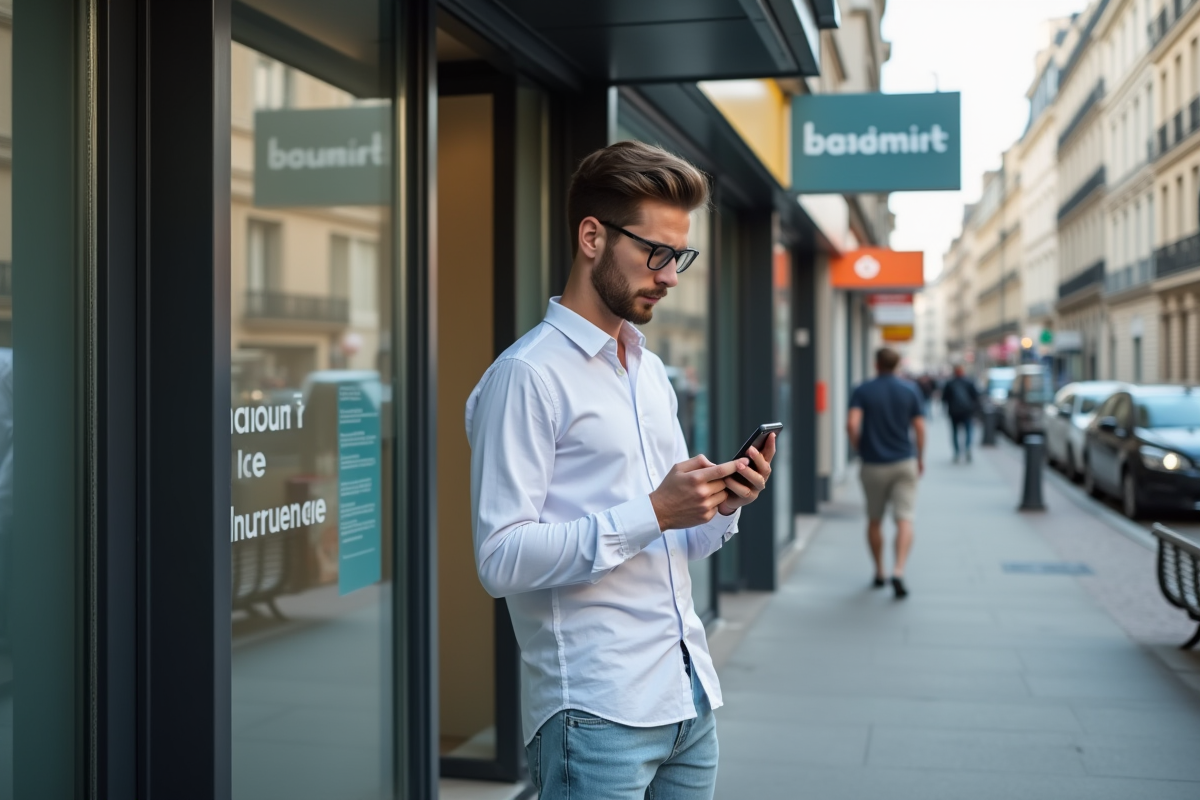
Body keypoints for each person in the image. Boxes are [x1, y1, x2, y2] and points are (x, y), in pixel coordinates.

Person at [466, 141, 775, 799]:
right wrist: (654, 511)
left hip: (686, 695)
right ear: (591, 237)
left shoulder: (649, 369)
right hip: (597, 712)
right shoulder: (526, 376)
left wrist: (721, 505)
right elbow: (498, 558)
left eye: (679, 257)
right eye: (655, 253)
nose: (670, 275)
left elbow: (675, 541)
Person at [847, 348, 925, 599]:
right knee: (905, 519)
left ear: (876, 364)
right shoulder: (910, 390)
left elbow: (851, 424)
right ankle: (899, 570)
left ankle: (879, 571)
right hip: (904, 461)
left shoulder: (863, 390)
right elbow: (920, 428)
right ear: (897, 365)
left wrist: (860, 447)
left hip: (873, 464)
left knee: (874, 519)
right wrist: (920, 457)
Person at [942, 365, 980, 463]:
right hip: (967, 412)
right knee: (968, 432)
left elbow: (944, 398)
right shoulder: (969, 382)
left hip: (954, 412)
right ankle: (967, 448)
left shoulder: (950, 383)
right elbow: (976, 397)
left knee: (955, 433)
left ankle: (957, 452)